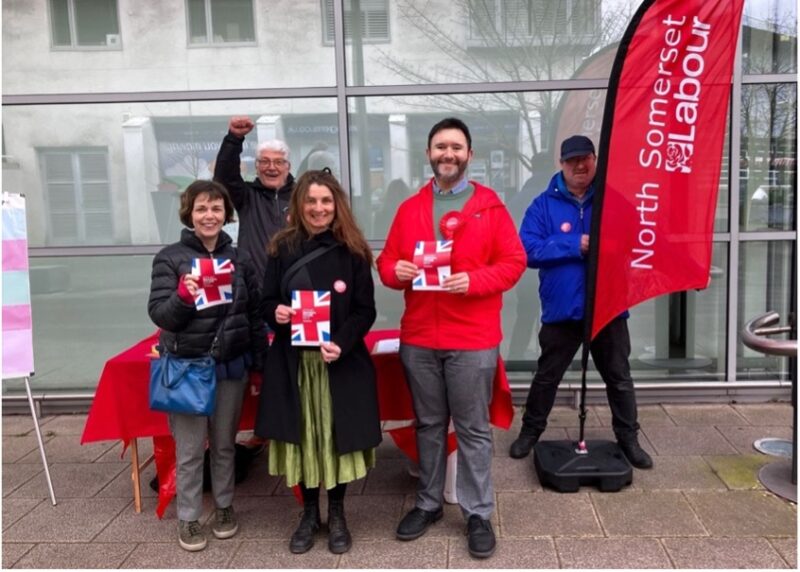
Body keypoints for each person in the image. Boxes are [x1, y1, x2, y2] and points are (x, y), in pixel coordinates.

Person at [376, 118, 526, 559]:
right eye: (440, 146)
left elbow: (514, 262)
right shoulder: (409, 209)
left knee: (474, 429)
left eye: (456, 147)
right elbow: (386, 263)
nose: (448, 153)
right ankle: (428, 502)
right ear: (428, 153)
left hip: (473, 337)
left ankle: (478, 512)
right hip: (420, 337)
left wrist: (474, 280)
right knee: (428, 425)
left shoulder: (491, 207)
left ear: (469, 155)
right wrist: (395, 273)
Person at [255, 169, 381, 555]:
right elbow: (265, 301)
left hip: (336, 362)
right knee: (305, 438)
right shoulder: (281, 248)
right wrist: (275, 311)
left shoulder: (354, 250)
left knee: (334, 437)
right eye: (311, 201)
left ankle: (338, 512)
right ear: (299, 204)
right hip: (295, 364)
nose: (318, 208)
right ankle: (309, 513)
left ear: (336, 205)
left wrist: (341, 343)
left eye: (325, 201)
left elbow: (365, 311)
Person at [509, 135, 653, 470]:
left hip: (608, 306)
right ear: (561, 164)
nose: (579, 166)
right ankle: (530, 431)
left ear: (595, 160)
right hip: (562, 309)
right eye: (572, 160)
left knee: (618, 376)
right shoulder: (542, 205)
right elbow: (527, 250)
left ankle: (628, 437)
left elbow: (634, 239)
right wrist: (575, 244)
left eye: (585, 158)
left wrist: (609, 241)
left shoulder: (612, 201)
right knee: (547, 376)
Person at [147, 180, 266, 552]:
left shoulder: (241, 258)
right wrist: (184, 296)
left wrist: (259, 366)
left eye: (216, 209)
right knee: (189, 450)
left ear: (226, 215)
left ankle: (226, 507)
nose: (209, 215)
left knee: (225, 445)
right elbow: (161, 314)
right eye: (201, 208)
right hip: (187, 369)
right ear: (189, 214)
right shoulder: (170, 258)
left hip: (230, 367)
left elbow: (255, 314)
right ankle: (189, 517)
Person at [213, 116, 295, 284]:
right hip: (255, 289)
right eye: (264, 161)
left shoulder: (302, 197)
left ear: (288, 167)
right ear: (256, 167)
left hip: (294, 288)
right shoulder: (247, 196)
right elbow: (224, 176)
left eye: (278, 162)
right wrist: (234, 139)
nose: (271, 167)